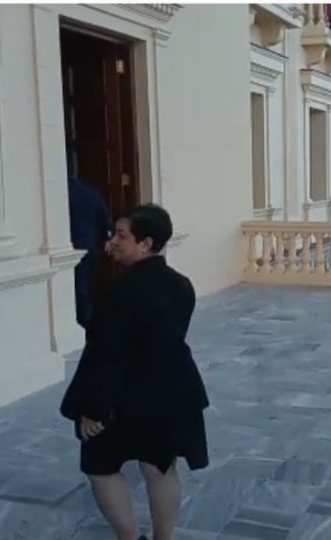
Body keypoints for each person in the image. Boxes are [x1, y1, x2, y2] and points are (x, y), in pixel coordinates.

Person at [60, 204, 209, 540]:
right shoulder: (181, 285)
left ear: (146, 243)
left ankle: (130, 538)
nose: (110, 241)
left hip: (125, 395)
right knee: (160, 466)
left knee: (100, 467)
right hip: (171, 390)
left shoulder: (118, 293)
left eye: (121, 236)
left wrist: (90, 407)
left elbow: (105, 353)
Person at [66, 147, 112, 328]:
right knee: (82, 284)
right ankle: (86, 318)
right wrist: (106, 240)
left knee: (77, 287)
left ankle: (82, 321)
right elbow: (104, 219)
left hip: (69, 248)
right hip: (90, 246)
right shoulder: (91, 192)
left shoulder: (60, 195)